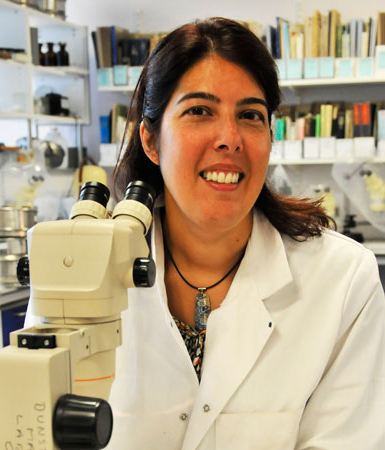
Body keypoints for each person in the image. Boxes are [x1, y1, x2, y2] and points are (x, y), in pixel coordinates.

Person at [108, 17, 385, 450]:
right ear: (150, 139)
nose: (230, 138)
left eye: (250, 115)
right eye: (199, 111)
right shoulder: (83, 267)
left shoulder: (344, 280)